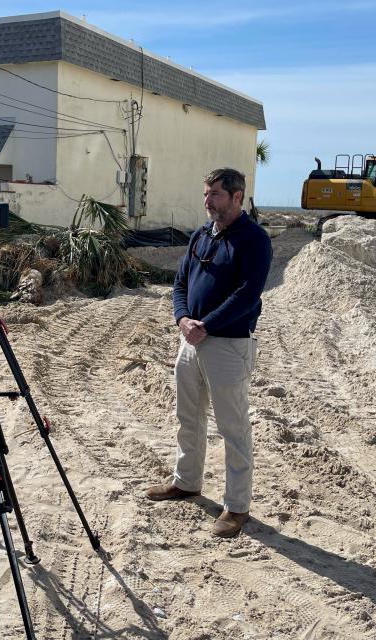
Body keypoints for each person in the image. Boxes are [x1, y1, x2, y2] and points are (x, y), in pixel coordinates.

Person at [146, 167, 272, 539]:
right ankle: (186, 482)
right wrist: (183, 318)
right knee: (188, 417)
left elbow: (248, 294)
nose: (207, 201)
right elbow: (181, 281)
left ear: (237, 196)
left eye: (215, 194)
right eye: (205, 194)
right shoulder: (201, 235)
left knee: (233, 429)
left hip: (229, 345)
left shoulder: (254, 239)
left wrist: (207, 325)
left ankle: (236, 507)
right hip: (191, 341)